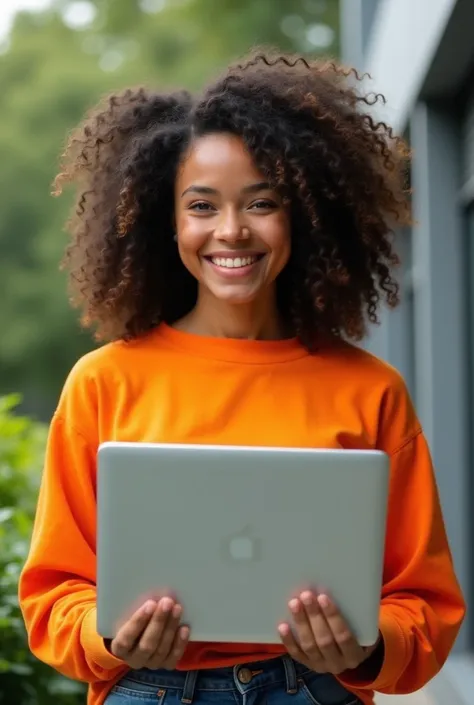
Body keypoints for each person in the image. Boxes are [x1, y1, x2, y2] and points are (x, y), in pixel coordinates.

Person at [19, 50, 465, 705]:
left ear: (305, 214)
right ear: (163, 219)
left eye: (262, 202)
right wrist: (107, 637)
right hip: (147, 688)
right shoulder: (103, 381)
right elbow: (52, 594)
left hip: (315, 688)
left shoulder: (370, 389)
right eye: (202, 205)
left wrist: (367, 649)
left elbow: (424, 602)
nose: (231, 230)